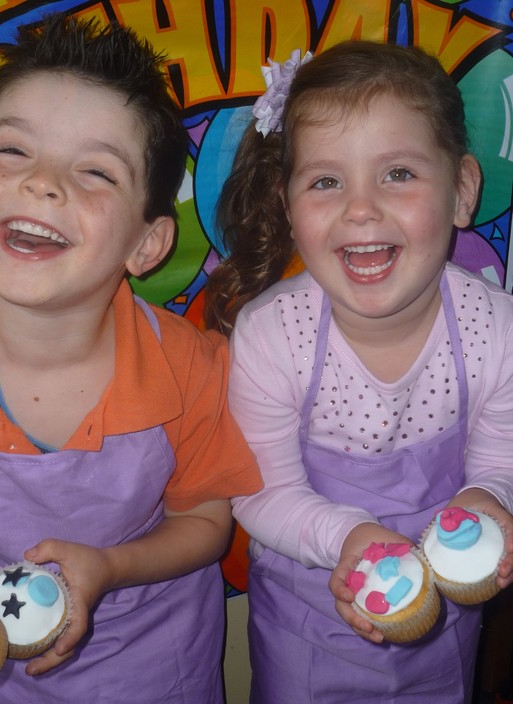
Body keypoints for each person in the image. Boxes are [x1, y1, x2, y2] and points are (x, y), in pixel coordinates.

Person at [0, 12, 261, 703]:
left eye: (95, 170)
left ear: (146, 244)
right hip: (4, 679)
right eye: (12, 152)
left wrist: (108, 567)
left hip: (159, 672)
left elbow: (204, 522)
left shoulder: (189, 364)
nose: (42, 183)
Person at [205, 40, 513, 703]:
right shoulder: (271, 336)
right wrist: (348, 538)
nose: (360, 208)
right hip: (307, 625)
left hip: (446, 621)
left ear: (461, 190)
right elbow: (258, 493)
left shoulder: (497, 328)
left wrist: (488, 503)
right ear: (289, 208)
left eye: (397, 173)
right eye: (324, 181)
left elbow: (497, 462)